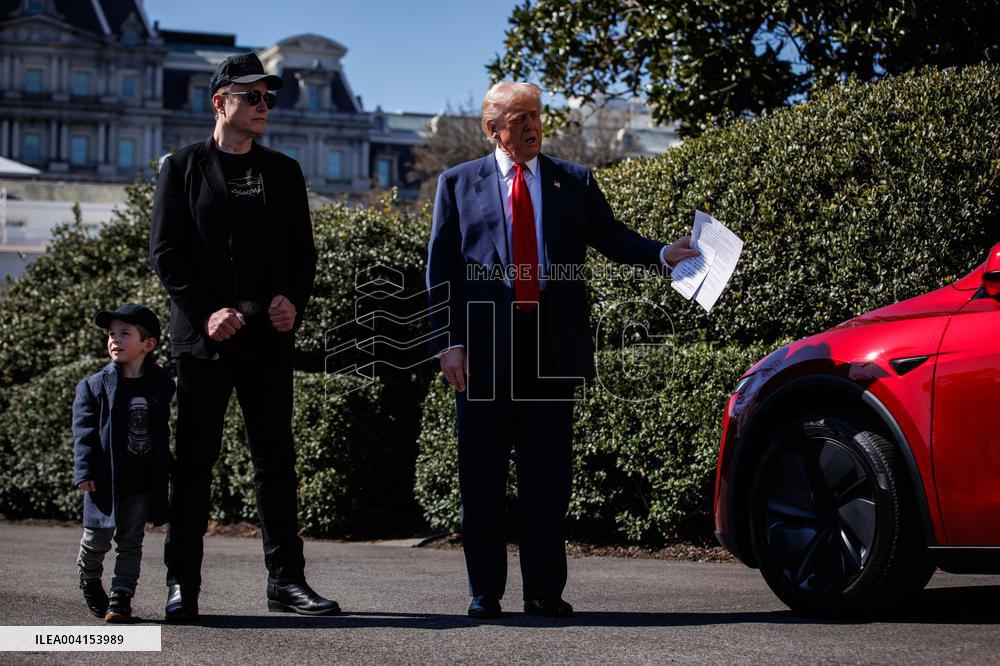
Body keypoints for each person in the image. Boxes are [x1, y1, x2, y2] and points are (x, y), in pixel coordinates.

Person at [426, 81, 699, 619]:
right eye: (519, 117)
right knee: (480, 478)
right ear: (492, 129)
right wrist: (448, 343)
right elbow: (441, 271)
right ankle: (485, 593)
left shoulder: (572, 181)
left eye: (537, 116)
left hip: (551, 348)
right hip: (484, 353)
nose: (531, 126)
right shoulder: (457, 184)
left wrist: (663, 253)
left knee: (547, 477)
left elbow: (614, 237)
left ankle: (543, 592)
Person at [149, 52, 337, 621]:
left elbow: (301, 256)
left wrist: (291, 300)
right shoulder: (181, 168)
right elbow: (166, 255)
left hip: (265, 341)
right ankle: (182, 584)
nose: (263, 106)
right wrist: (206, 311)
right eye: (252, 96)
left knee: (275, 462)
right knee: (195, 464)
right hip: (203, 343)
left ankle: (287, 583)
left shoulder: (284, 171)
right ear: (220, 102)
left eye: (267, 98)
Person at [73, 304, 174, 623]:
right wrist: (84, 470)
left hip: (141, 483)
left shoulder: (160, 384)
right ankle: (89, 580)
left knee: (131, 543)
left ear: (148, 344)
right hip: (105, 481)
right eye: (111, 334)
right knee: (96, 541)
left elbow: (163, 431)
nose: (115, 340)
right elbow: (84, 433)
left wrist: (168, 468)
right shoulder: (93, 385)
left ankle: (121, 598)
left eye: (124, 333)